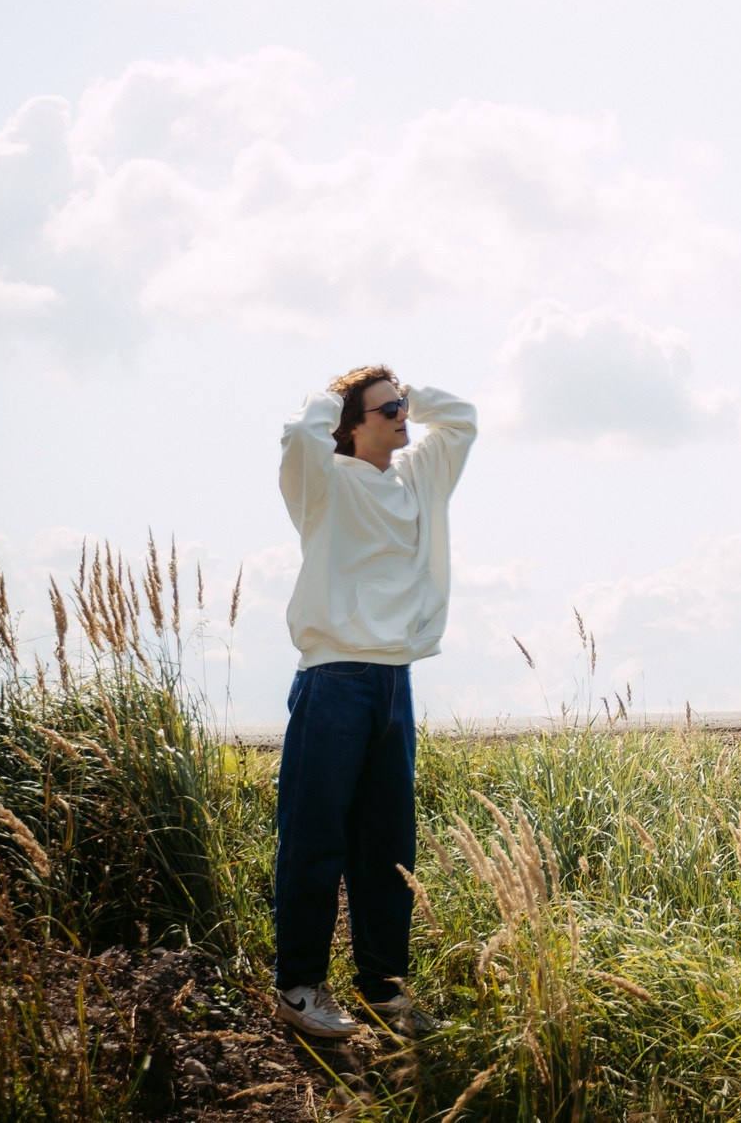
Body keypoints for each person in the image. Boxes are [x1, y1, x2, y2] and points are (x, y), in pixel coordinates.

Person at [271, 365, 476, 1041]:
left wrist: (402, 379)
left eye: (404, 405)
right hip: (333, 678)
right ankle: (299, 988)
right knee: (315, 837)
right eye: (385, 408)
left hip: (394, 682)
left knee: (389, 847)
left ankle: (383, 992)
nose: (402, 415)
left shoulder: (417, 477)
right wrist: (343, 385)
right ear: (350, 424)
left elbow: (463, 417)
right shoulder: (323, 483)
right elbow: (300, 431)